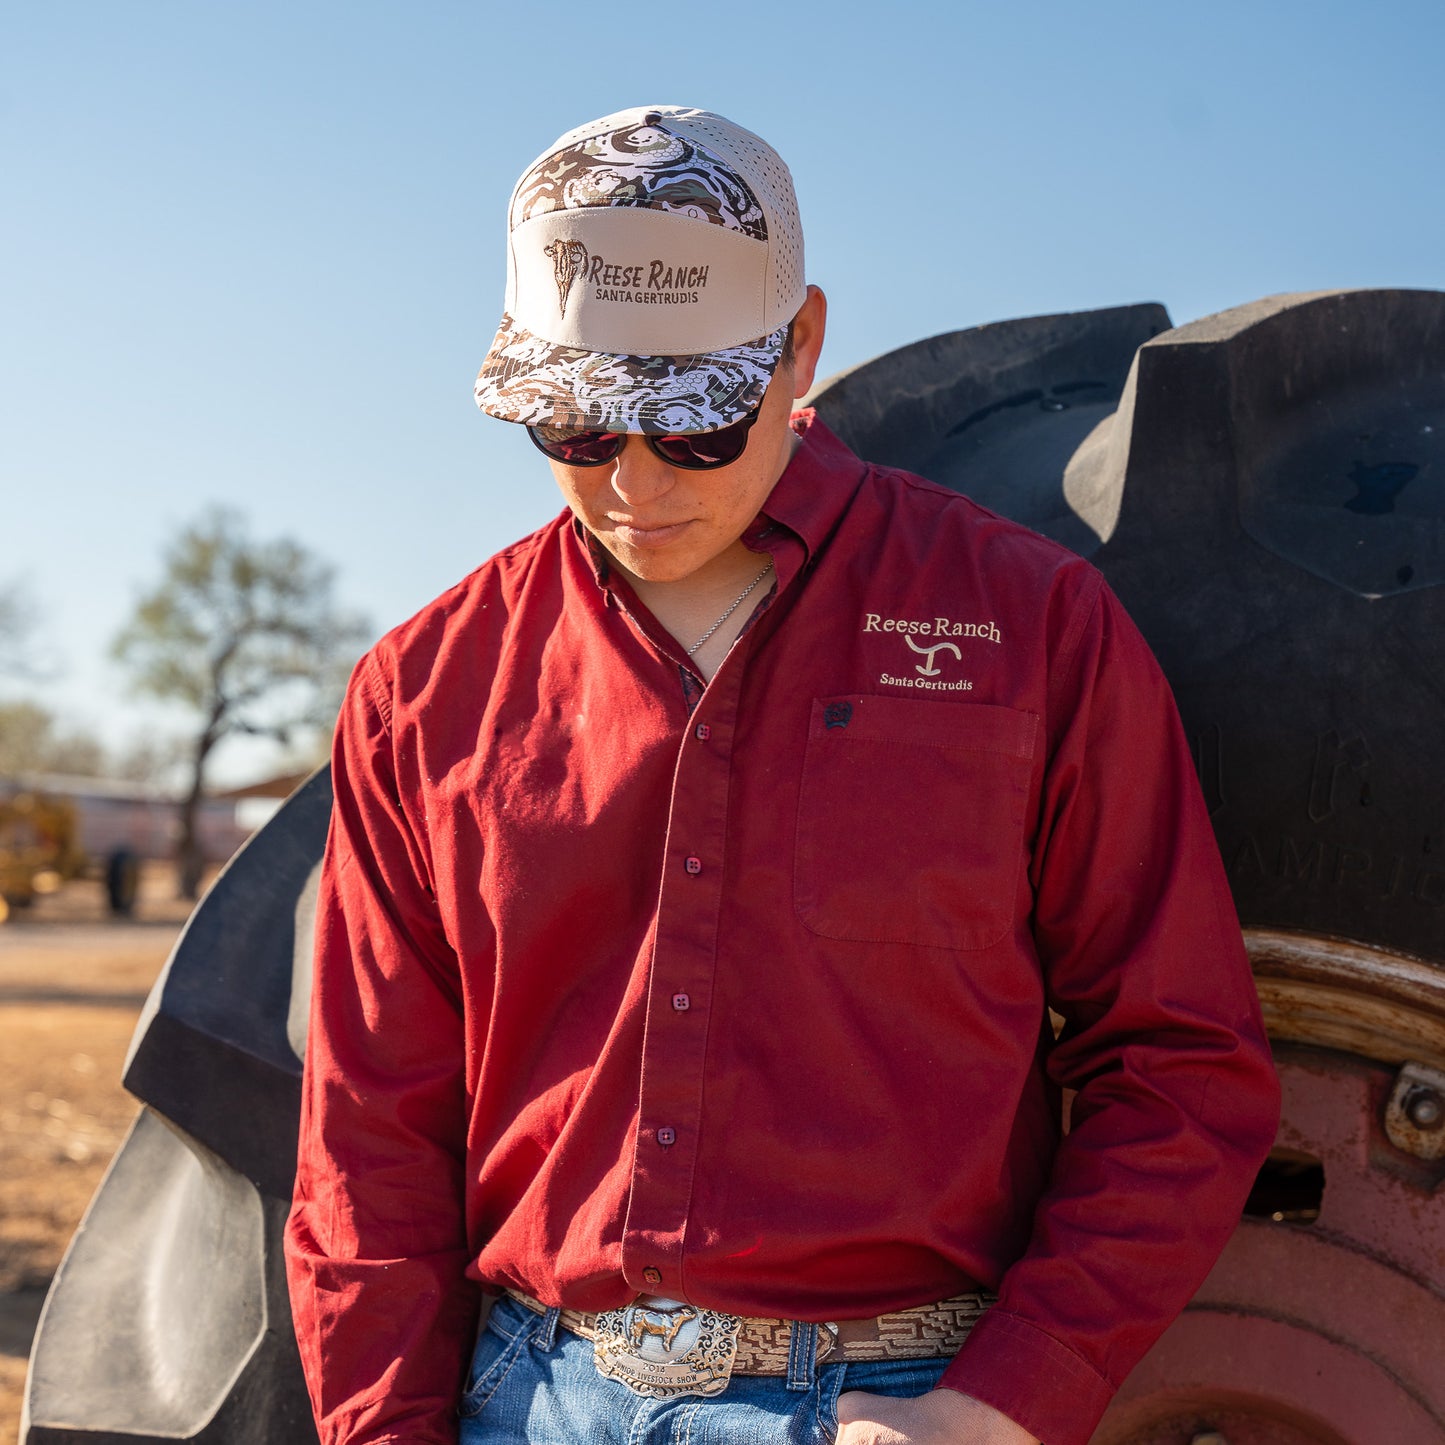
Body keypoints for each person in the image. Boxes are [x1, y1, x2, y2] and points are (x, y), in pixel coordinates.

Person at [284, 105, 1280, 1445]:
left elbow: (1180, 1062)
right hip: (531, 1399)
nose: (634, 484)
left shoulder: (1032, 626)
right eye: (577, 428)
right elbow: (366, 1134)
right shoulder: (421, 687)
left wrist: (1006, 1401)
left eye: (695, 427)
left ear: (801, 344)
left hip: (898, 1408)